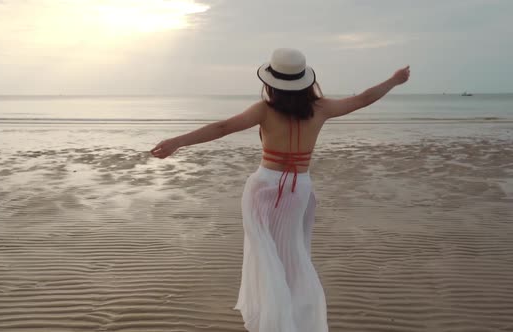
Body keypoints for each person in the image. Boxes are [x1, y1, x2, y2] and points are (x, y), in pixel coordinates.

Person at [150, 48, 410, 332]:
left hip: (263, 189)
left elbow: (223, 127)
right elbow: (363, 99)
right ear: (305, 80)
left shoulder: (264, 109)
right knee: (293, 255)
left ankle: (275, 321)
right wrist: (393, 80)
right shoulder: (321, 108)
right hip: (298, 191)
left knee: (265, 256)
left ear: (271, 82)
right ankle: (291, 318)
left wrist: (177, 141)